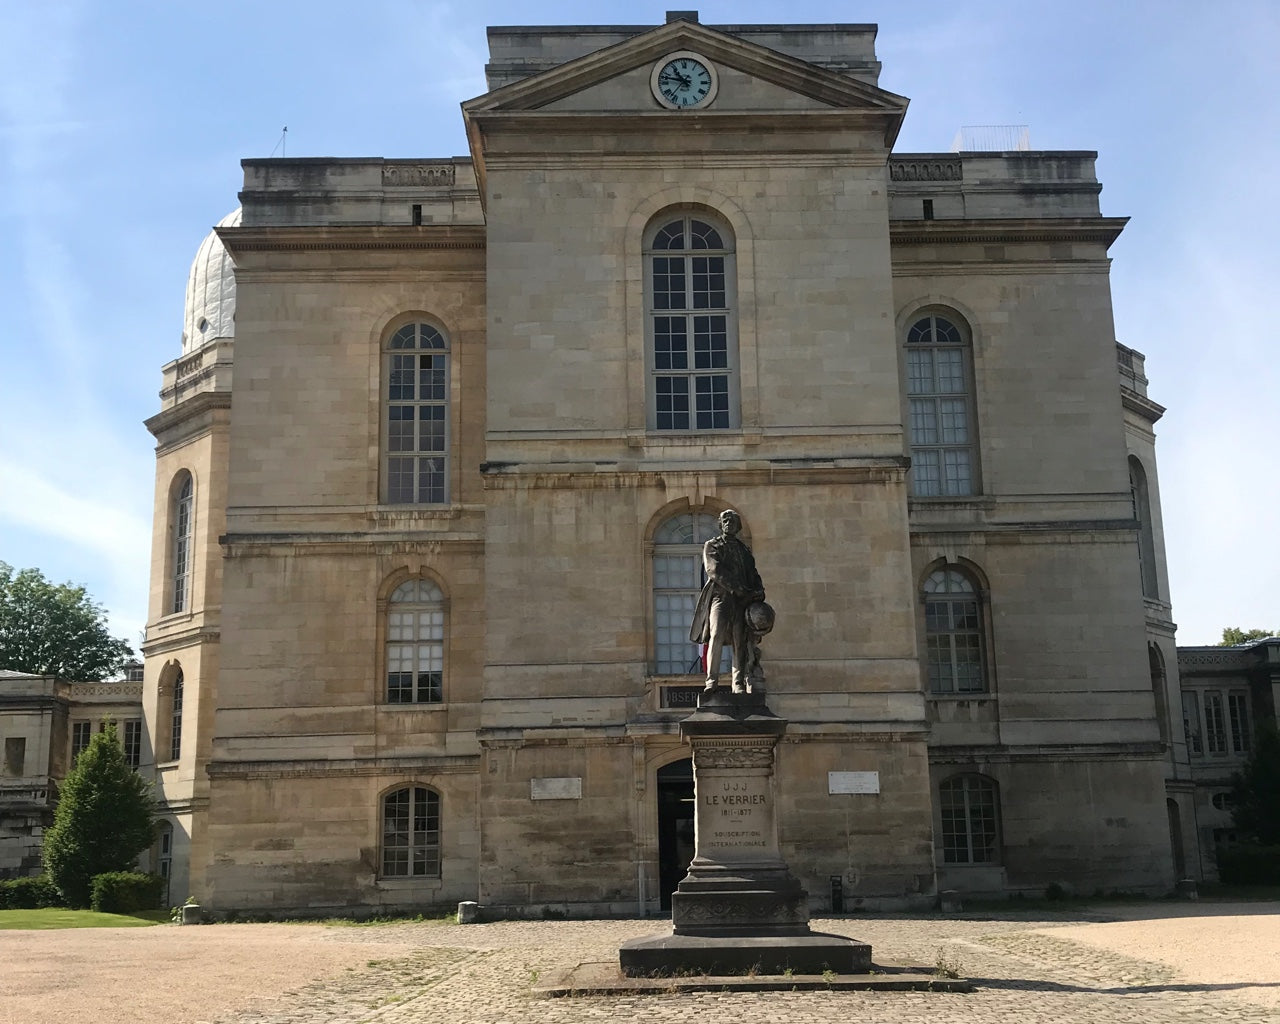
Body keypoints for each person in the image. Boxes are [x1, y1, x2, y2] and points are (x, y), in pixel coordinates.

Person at [689, 509, 766, 693]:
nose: (729, 523)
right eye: (725, 520)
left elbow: (753, 575)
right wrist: (738, 589)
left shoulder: (744, 551)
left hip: (742, 602)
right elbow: (714, 570)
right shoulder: (713, 545)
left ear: (738, 526)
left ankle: (738, 683)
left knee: (740, 641)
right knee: (716, 635)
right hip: (721, 597)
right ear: (720, 524)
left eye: (732, 520)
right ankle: (711, 681)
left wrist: (759, 591)